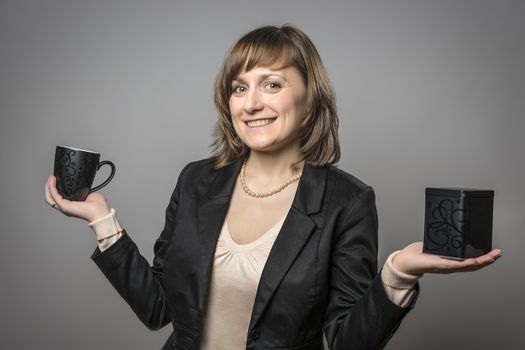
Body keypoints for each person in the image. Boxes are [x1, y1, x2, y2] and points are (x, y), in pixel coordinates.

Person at [44, 25, 502, 350]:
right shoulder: (195, 180)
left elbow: (344, 341)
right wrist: (103, 221)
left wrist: (398, 274)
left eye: (272, 84)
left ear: (310, 98)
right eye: (239, 88)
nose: (252, 103)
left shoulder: (348, 202)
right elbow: (159, 309)